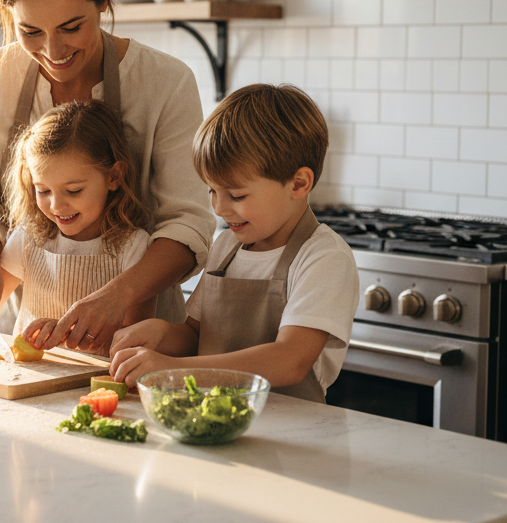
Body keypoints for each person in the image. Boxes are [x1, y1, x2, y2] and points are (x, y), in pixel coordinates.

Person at [0, 0, 215, 354]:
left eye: (72, 27)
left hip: (140, 348)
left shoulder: (166, 81)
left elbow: (188, 225)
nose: (53, 52)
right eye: (30, 31)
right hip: (37, 348)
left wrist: (120, 294)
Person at [109, 83, 360, 402]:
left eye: (237, 195)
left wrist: (176, 370)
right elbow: (196, 335)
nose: (219, 208)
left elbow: (290, 360)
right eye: (212, 191)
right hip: (214, 421)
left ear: (298, 184)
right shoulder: (227, 247)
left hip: (294, 434)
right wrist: (160, 333)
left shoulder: (324, 257)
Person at [0, 99, 156, 337]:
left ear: (113, 177)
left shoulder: (133, 247)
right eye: (43, 191)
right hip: (30, 374)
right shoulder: (28, 238)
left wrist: (66, 333)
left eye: (73, 191)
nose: (56, 205)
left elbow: (134, 338)